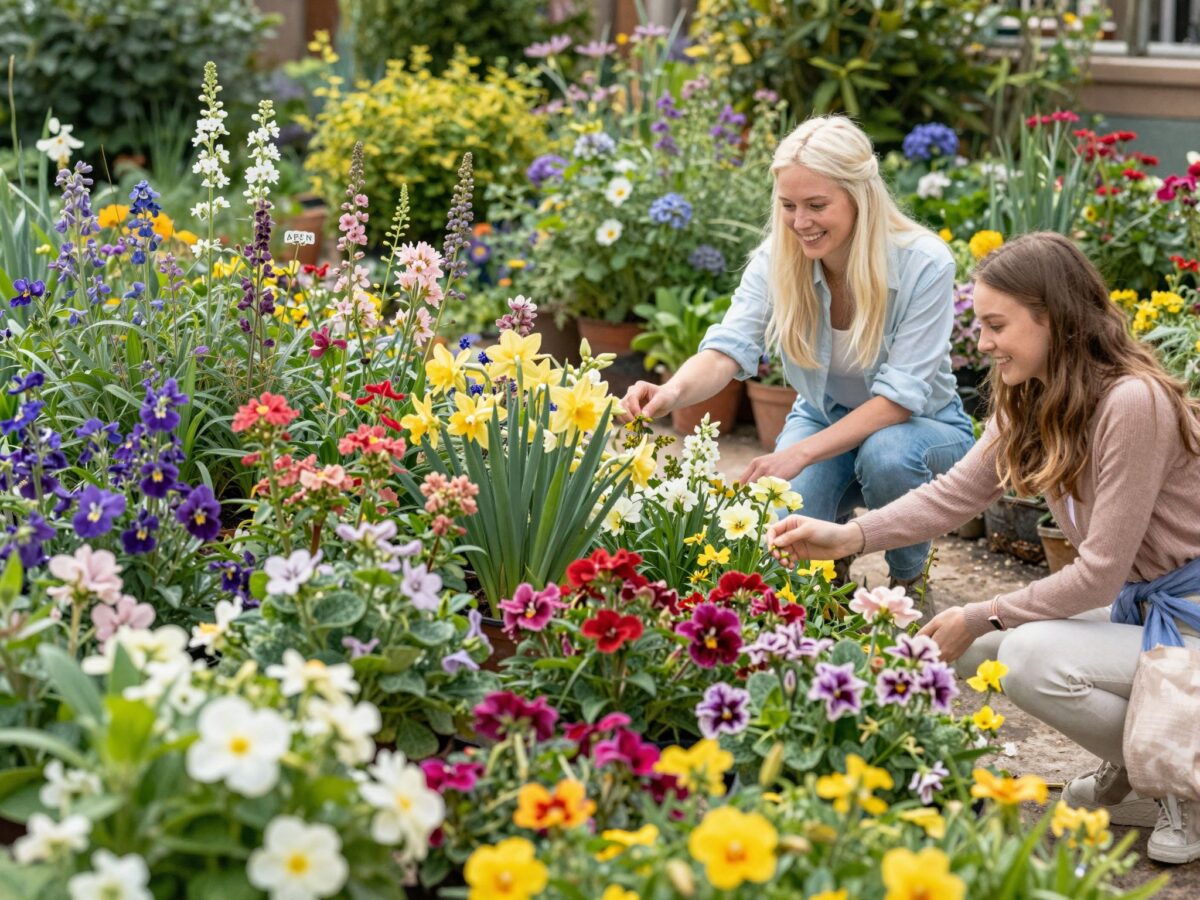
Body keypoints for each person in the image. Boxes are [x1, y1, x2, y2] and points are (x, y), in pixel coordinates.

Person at [767, 231, 1200, 864]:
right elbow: (954, 495)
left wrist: (978, 612)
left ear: (1053, 318)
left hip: (1187, 622)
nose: (983, 342)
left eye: (997, 325)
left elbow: (1098, 576)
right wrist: (848, 536)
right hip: (1142, 611)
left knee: (1023, 653)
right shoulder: (1035, 393)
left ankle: (1178, 776)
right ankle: (1138, 757)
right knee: (983, 652)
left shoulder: (1132, 403)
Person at [619, 115, 974, 589]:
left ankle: (909, 584)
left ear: (859, 197)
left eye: (816, 205)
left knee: (885, 455)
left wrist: (799, 453)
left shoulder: (924, 263)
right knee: (786, 522)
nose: (800, 222)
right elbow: (728, 348)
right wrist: (671, 391)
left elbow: (897, 401)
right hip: (824, 419)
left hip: (924, 430)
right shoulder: (777, 260)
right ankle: (830, 569)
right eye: (788, 205)